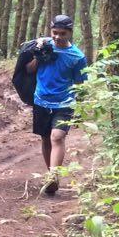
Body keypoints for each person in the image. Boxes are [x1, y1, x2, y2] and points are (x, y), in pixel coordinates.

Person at [25, 14, 88, 196]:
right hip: (41, 100)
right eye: (54, 33)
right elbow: (29, 70)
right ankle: (52, 178)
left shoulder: (77, 57)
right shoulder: (44, 47)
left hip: (65, 103)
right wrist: (39, 56)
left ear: (70, 33)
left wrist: (81, 108)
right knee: (45, 138)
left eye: (62, 33)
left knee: (57, 137)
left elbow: (81, 84)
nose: (58, 37)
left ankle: (53, 175)